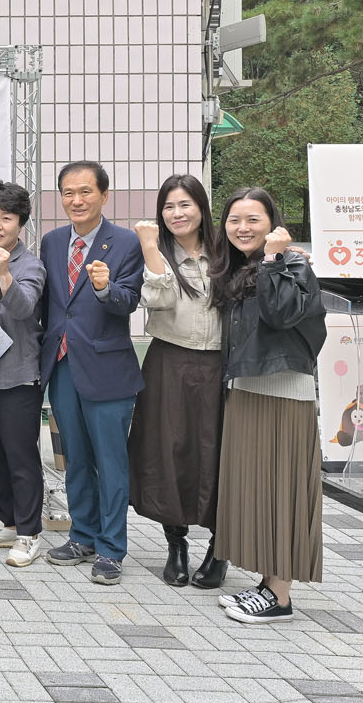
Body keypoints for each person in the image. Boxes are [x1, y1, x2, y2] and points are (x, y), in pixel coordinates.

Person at [211, 188, 328, 624]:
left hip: (284, 392)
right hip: (248, 388)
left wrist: (276, 258)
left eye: (253, 220)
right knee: (259, 489)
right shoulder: (242, 267)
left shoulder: (293, 264)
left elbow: (281, 314)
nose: (242, 228)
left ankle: (280, 596)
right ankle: (267, 583)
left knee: (283, 490)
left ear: (273, 224)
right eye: (234, 219)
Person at [39, 160, 145, 584]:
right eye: (68, 192)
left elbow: (129, 301)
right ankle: (82, 535)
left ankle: (112, 548)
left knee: (111, 461)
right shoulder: (51, 242)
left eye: (85, 191)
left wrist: (104, 288)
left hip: (107, 367)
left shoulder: (126, 243)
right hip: (62, 364)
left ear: (104, 195)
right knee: (76, 457)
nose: (76, 200)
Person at [129, 174, 229, 589]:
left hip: (221, 364)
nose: (177, 213)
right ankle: (176, 543)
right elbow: (159, 299)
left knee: (219, 453)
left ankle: (220, 546)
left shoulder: (226, 250)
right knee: (168, 451)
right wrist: (151, 248)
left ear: (202, 207)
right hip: (169, 361)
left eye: (185, 204)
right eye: (169, 207)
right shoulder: (155, 251)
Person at [0, 179, 49, 568]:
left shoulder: (29, 264)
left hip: (18, 375)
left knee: (21, 456)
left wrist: (4, 274)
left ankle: (29, 532)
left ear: (21, 222)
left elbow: (22, 308)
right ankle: (7, 520)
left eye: (6, 218)